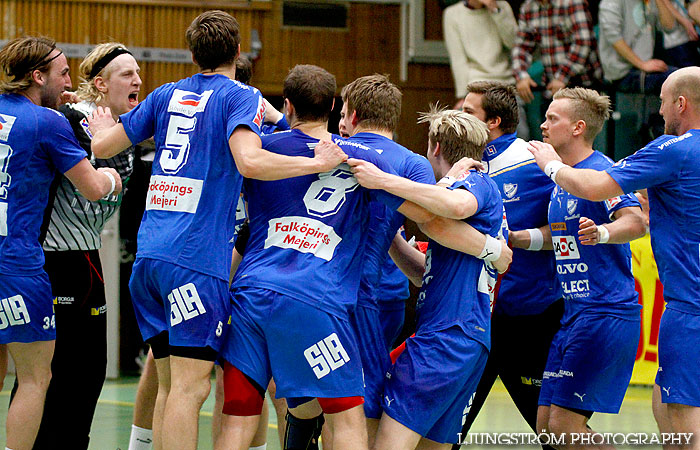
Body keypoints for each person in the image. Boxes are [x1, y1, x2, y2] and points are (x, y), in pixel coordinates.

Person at [87, 11, 347, 450]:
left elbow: (102, 146)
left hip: (149, 259)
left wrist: (99, 129)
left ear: (192, 53)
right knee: (192, 390)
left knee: (172, 387)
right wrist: (315, 163)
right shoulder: (238, 95)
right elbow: (249, 162)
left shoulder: (166, 93)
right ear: (238, 51)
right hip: (194, 261)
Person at [528, 67, 700, 448]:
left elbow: (598, 189)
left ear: (681, 104)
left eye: (663, 104)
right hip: (592, 311)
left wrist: (549, 165)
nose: (660, 113)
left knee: (684, 429)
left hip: (682, 309)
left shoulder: (675, 150)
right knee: (663, 409)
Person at [348, 108, 505, 450]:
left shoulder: (473, 180)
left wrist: (381, 180)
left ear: (435, 148)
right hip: (465, 338)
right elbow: (424, 273)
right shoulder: (468, 191)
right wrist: (387, 236)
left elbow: (453, 207)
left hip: (446, 337)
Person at [0, 36, 122, 450]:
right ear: (38, 76)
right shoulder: (49, 123)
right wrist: (113, 180)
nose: (71, 81)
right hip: (18, 265)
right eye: (63, 73)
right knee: (36, 378)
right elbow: (90, 188)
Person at [28, 42, 141, 450]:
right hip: (60, 258)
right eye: (127, 73)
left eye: (138, 72)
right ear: (100, 83)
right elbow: (96, 190)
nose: (138, 80)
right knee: (63, 372)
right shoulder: (71, 120)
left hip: (88, 257)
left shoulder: (117, 128)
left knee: (89, 370)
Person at [521, 87, 646, 447]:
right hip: (572, 316)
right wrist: (520, 238)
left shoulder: (601, 172)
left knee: (562, 427)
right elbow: (561, 235)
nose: (543, 125)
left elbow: (636, 222)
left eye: (552, 119)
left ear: (577, 128)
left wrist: (604, 232)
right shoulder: (562, 179)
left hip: (605, 313)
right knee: (546, 428)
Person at [455, 81, 561, 449]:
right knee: (447, 430)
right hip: (475, 320)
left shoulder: (536, 163)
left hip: (528, 320)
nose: (458, 116)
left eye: (468, 112)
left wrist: (523, 238)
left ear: (494, 122)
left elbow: (573, 226)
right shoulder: (463, 166)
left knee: (555, 434)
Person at [512, 0, 602, 104]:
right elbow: (521, 46)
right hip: (551, 86)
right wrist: (521, 75)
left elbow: (583, 42)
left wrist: (562, 76)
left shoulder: (572, 2)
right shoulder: (528, 7)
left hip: (584, 85)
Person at [442, 0, 517, 104]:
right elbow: (458, 60)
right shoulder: (452, 14)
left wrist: (495, 10)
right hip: (475, 87)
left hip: (506, 85)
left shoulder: (503, 7)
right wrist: (463, 96)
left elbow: (513, 44)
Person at [598, 0, 678, 93]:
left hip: (645, 66)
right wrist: (642, 64)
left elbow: (670, 27)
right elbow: (614, 38)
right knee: (678, 82)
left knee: (683, 78)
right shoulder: (612, 2)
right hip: (622, 72)